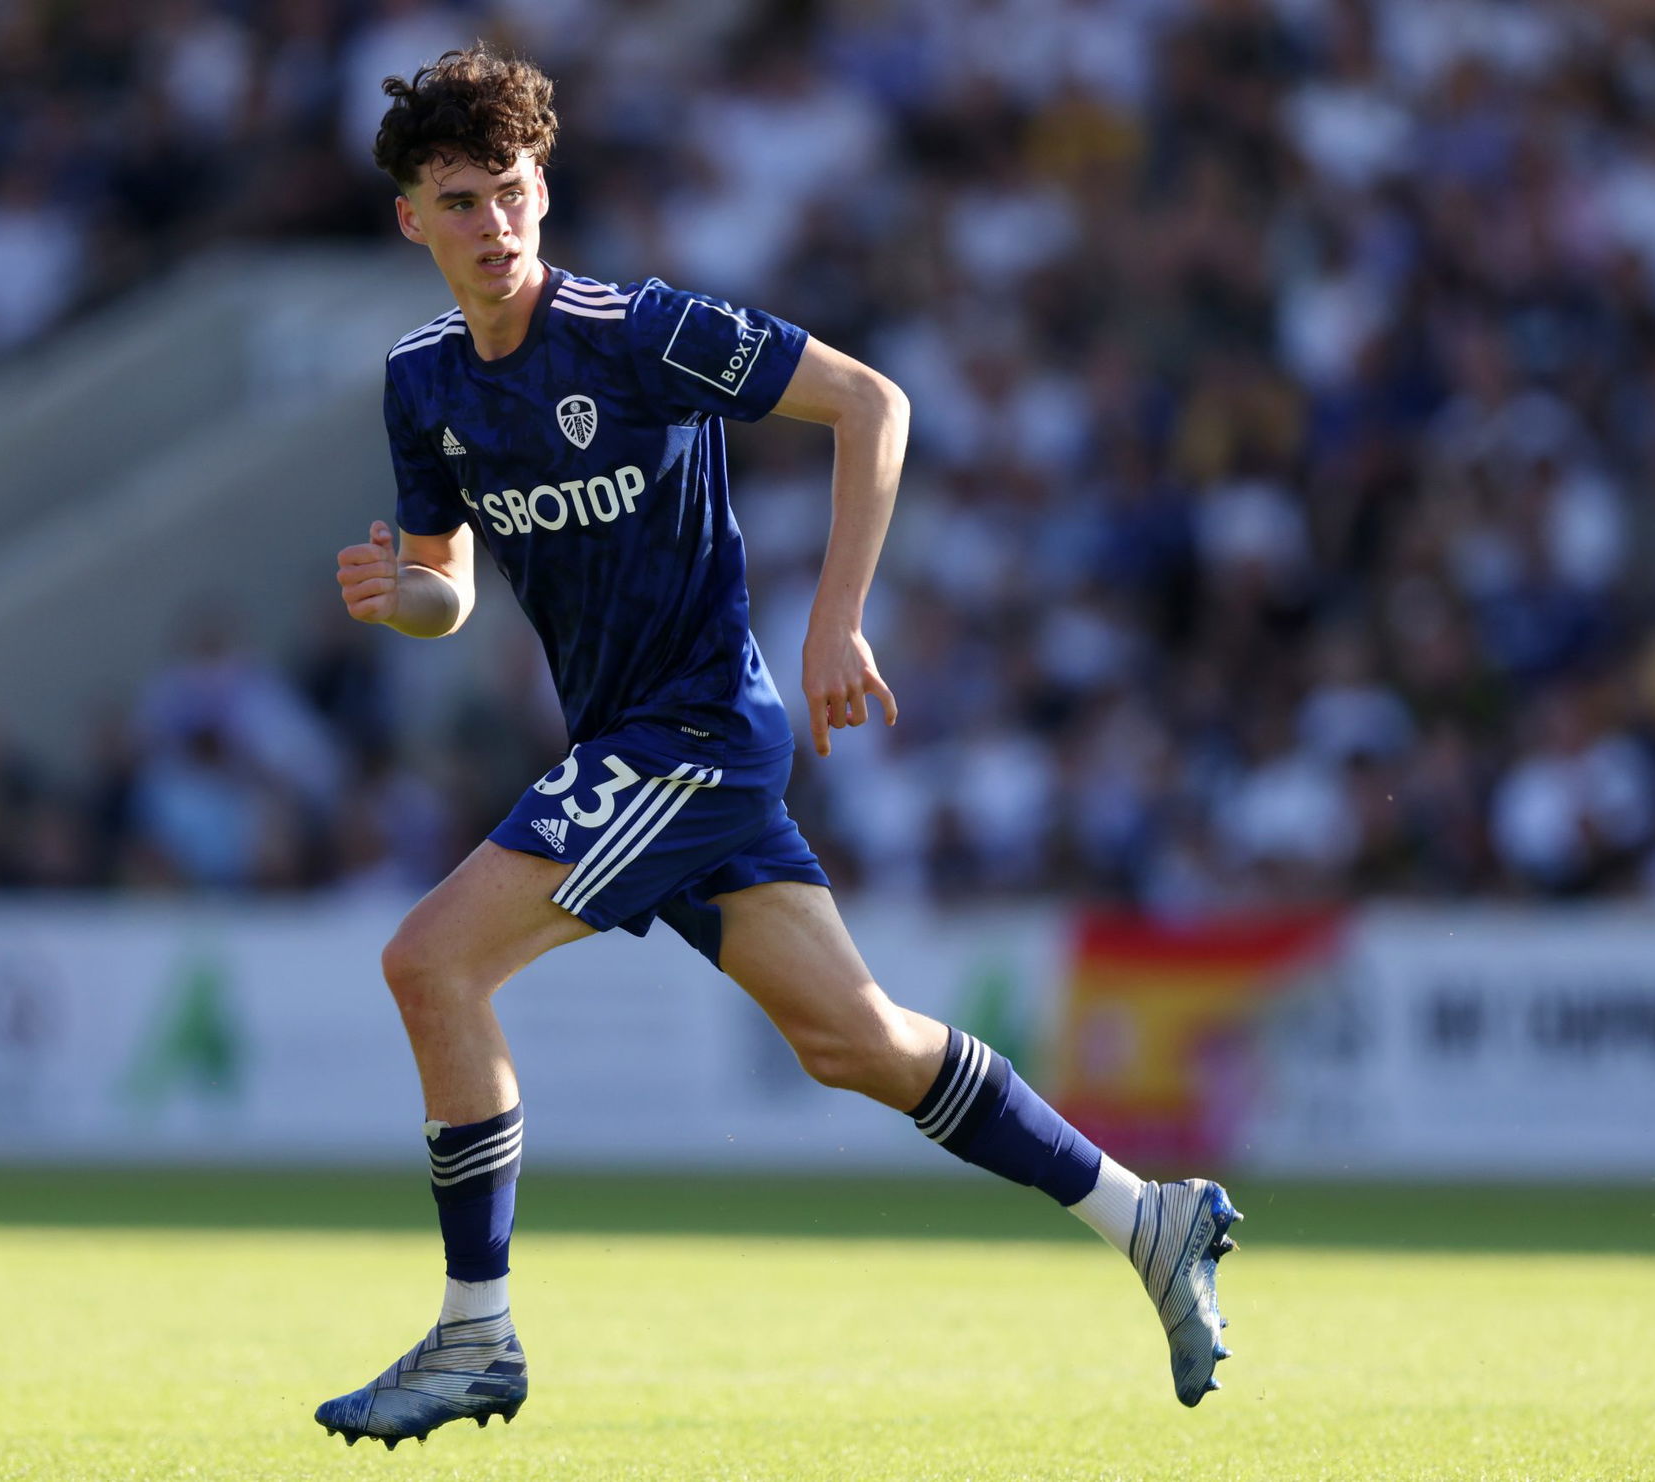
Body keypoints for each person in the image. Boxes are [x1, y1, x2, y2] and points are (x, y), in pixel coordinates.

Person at [316, 46, 1240, 1450]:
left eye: (510, 193)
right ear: (411, 221)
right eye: (459, 202)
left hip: (693, 733)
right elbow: (448, 583)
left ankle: (473, 1334)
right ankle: (1147, 1214)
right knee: (854, 1041)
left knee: (430, 961)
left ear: (544, 192)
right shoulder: (424, 380)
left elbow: (875, 404)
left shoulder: (635, 331)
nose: (492, 226)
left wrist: (837, 620)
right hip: (642, 745)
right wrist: (413, 598)